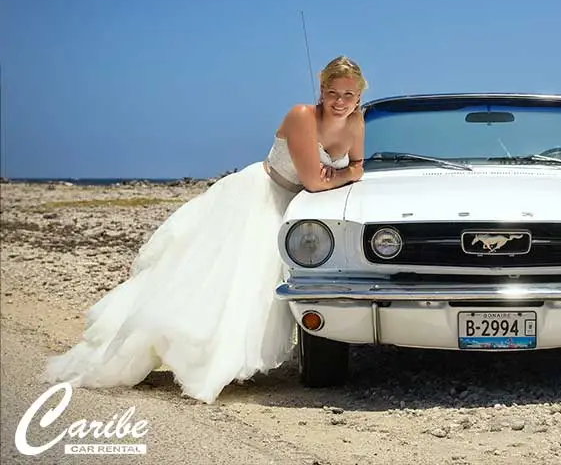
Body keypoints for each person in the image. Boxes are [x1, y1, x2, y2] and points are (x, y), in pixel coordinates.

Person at [43, 55, 368, 403]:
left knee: (255, 291)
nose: (339, 101)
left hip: (293, 210)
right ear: (321, 89)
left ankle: (228, 358)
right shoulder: (302, 115)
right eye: (332, 92)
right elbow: (313, 180)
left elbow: (357, 166)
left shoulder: (356, 122)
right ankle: (188, 352)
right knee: (220, 283)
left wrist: (346, 173)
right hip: (259, 199)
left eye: (348, 95)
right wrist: (346, 174)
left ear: (358, 97)